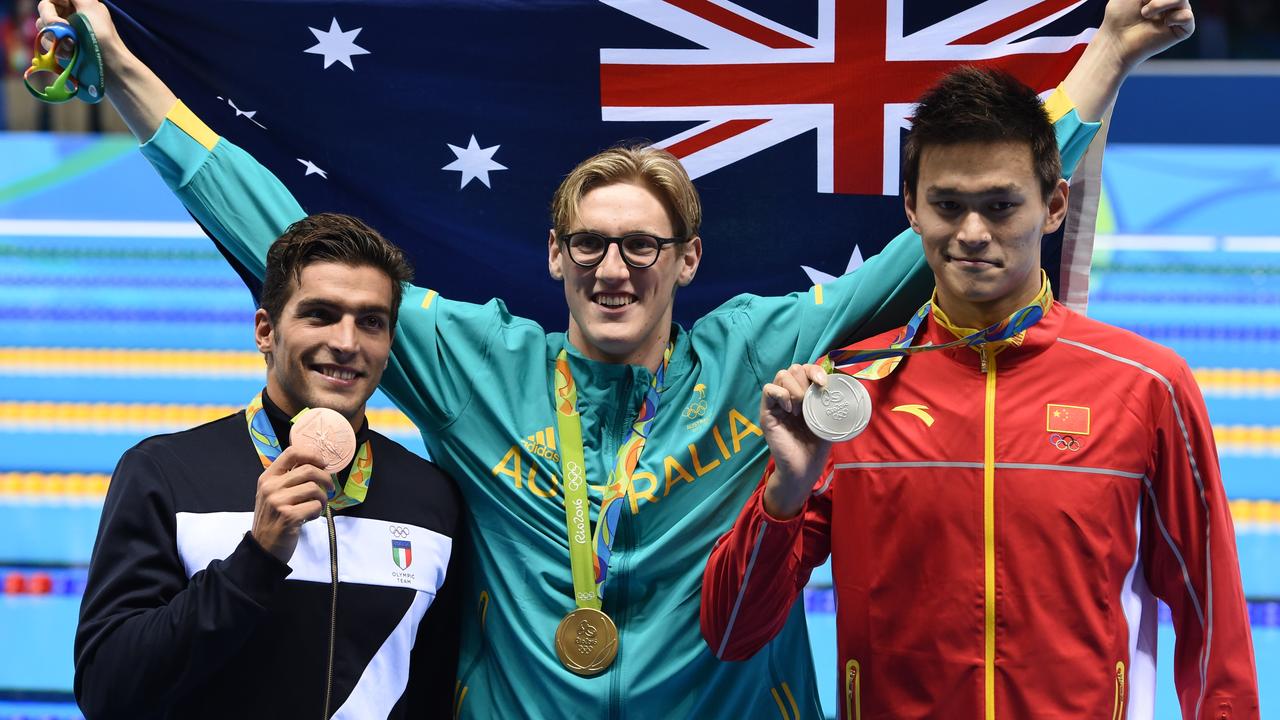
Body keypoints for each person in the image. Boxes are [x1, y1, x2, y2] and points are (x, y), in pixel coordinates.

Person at [41, 0, 1192, 715]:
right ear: (550, 255)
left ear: (687, 259)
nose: (612, 268)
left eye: (642, 245)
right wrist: (130, 79)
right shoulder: (471, 363)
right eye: (587, 244)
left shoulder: (764, 347)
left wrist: (1106, 56)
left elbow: (936, 234)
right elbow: (272, 233)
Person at [701, 67, 1259, 719]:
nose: (970, 232)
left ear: (1053, 205)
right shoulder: (848, 391)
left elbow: (1210, 619)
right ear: (911, 209)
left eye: (1000, 205)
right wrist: (785, 494)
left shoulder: (1146, 385)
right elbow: (733, 630)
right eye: (946, 205)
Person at [74, 213, 464, 718]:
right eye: (320, 314)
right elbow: (108, 690)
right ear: (265, 330)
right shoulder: (166, 474)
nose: (347, 342)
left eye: (371, 321)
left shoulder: (430, 498)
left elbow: (434, 697)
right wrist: (255, 559)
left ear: (388, 344)